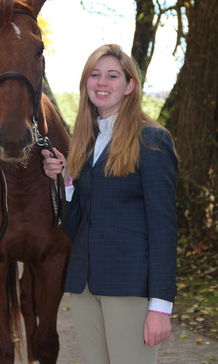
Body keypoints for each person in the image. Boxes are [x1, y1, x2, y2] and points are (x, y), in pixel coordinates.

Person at [42, 44, 178, 364]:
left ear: (129, 85)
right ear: (86, 83)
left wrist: (160, 307)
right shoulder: (88, 142)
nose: (102, 82)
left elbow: (164, 230)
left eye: (112, 76)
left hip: (129, 287)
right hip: (85, 287)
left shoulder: (152, 140)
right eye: (95, 74)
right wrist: (66, 181)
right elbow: (77, 225)